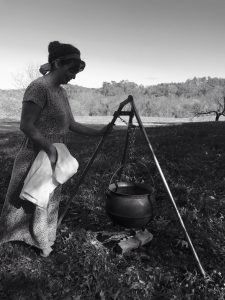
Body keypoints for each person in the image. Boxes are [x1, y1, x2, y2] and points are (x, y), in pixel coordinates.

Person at [0, 41, 110, 257]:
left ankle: (41, 236)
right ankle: (29, 238)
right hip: (35, 153)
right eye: (72, 69)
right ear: (57, 63)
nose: (74, 76)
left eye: (77, 70)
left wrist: (99, 132)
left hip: (54, 152)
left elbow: (71, 124)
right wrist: (50, 150)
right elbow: (26, 125)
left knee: (48, 198)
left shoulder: (60, 92)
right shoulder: (39, 88)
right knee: (27, 198)